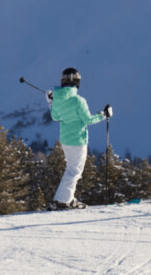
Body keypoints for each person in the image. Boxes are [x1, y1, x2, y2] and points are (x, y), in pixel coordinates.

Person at [46, 67, 110, 209]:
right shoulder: (78, 100)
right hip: (78, 140)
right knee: (74, 171)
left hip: (65, 140)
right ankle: (63, 200)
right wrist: (104, 115)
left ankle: (66, 198)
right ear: (76, 81)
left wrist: (51, 102)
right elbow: (88, 120)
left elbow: (55, 117)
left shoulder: (57, 99)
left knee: (71, 169)